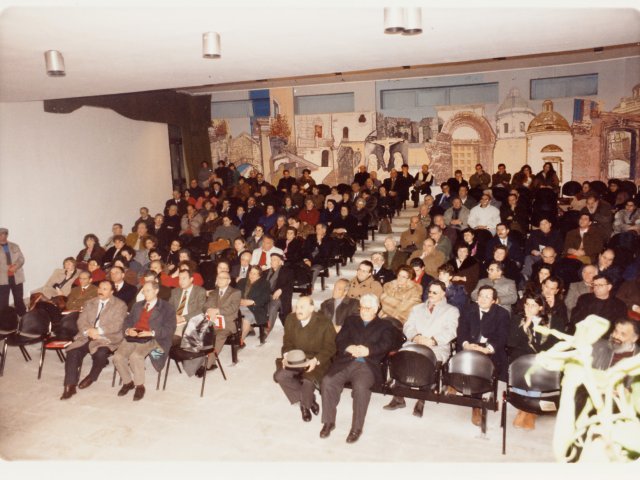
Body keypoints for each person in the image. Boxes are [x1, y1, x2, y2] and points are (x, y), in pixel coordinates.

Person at [319, 294, 398, 443]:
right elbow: (340, 339)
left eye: (368, 308)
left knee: (361, 388)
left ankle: (356, 428)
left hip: (366, 365)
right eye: (362, 307)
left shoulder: (385, 326)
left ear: (375, 309)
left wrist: (368, 351)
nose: (364, 311)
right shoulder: (351, 320)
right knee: (327, 381)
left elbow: (386, 344)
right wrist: (349, 347)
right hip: (346, 361)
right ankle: (328, 422)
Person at [384, 280, 459, 417]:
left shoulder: (451, 310)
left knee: (426, 360)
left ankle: (422, 400)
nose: (431, 294)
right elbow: (408, 326)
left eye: (435, 292)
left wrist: (433, 340)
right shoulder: (417, 308)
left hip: (437, 346)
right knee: (402, 357)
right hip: (415, 342)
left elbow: (451, 331)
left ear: (443, 294)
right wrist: (416, 337)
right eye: (429, 291)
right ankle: (399, 397)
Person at [60, 280, 128, 400]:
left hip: (106, 337)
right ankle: (70, 385)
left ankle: (92, 376)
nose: (101, 291)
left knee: (101, 353)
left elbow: (117, 325)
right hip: (86, 335)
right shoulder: (90, 302)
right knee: (73, 352)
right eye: (100, 288)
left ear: (112, 292)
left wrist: (98, 331)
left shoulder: (120, 305)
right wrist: (88, 331)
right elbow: (81, 321)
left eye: (105, 289)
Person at [275, 296, 336, 422]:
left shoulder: (324, 323)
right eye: (297, 307)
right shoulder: (290, 319)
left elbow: (330, 348)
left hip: (317, 359)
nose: (298, 310)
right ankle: (309, 400)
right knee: (280, 376)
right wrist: (286, 356)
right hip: (296, 358)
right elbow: (287, 342)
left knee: (308, 381)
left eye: (302, 307)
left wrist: (315, 360)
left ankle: (305, 406)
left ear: (312, 308)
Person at [113, 281, 176, 401]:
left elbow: (169, 329)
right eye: (143, 290)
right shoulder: (138, 305)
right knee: (117, 357)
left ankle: (139, 385)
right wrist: (128, 330)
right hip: (134, 336)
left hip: (152, 338)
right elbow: (128, 320)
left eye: (147, 290)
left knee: (136, 356)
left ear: (156, 291)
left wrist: (151, 332)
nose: (144, 293)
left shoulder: (167, 308)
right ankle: (127, 382)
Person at [457, 285, 510, 424]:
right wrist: (466, 344)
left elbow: (502, 337)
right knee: (465, 362)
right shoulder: (468, 309)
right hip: (470, 345)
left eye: (488, 297)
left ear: (494, 300)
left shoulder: (502, 314)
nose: (483, 299)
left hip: (490, 348)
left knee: (480, 368)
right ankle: (460, 386)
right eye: (481, 296)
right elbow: (461, 332)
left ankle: (476, 405)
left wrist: (488, 349)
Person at [507, 293, 556, 430]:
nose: (529, 308)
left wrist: (542, 356)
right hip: (522, 356)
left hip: (542, 356)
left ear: (540, 307)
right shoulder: (518, 319)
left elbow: (555, 342)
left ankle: (531, 411)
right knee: (521, 366)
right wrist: (526, 324)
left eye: (533, 305)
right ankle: (522, 408)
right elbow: (511, 342)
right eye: (527, 304)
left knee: (537, 369)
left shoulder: (551, 321)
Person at [202, 270, 241, 370]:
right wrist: (209, 310)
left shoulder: (235, 292)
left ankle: (207, 365)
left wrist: (217, 311)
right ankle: (196, 360)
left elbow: (233, 308)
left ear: (228, 281)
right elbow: (205, 306)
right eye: (218, 277)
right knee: (197, 331)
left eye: (222, 278)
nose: (219, 280)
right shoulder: (213, 293)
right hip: (212, 321)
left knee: (218, 336)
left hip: (227, 323)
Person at [169, 269, 207, 341]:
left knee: (174, 335)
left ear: (191, 279)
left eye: (184, 278)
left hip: (189, 320)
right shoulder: (175, 291)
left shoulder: (200, 291)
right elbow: (169, 307)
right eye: (179, 278)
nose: (181, 281)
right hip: (174, 319)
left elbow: (201, 309)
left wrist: (184, 318)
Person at [237, 265, 271, 344]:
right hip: (239, 305)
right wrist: (239, 300)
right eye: (251, 273)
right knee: (232, 315)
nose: (252, 275)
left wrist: (252, 302)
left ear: (259, 275)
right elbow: (235, 294)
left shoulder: (265, 283)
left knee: (246, 318)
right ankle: (240, 333)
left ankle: (240, 341)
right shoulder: (242, 281)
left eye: (255, 273)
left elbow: (265, 298)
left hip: (255, 308)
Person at [0, 227, 26, 316]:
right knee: (3, 302)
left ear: (7, 235)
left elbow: (21, 259)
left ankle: (23, 319)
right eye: (1, 234)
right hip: (2, 279)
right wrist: (7, 268)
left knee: (19, 300)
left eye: (5, 234)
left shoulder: (14, 246)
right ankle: (4, 322)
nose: (3, 236)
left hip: (17, 277)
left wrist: (16, 266)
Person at [265, 252, 294, 329]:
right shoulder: (266, 272)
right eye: (271, 260)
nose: (272, 261)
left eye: (274, 260)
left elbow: (290, 285)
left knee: (273, 306)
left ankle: (267, 330)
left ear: (281, 262)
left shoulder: (287, 271)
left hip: (279, 297)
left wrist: (281, 290)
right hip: (265, 296)